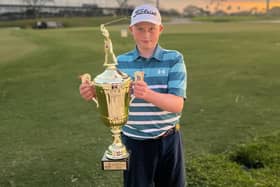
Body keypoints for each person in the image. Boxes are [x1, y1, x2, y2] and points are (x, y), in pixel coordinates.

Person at [80, 4, 187, 187]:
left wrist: (147, 94)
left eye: (151, 29)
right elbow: (112, 101)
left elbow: (177, 105)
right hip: (134, 142)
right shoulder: (120, 62)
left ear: (160, 29)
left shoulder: (174, 59)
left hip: (168, 140)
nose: (146, 35)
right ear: (131, 30)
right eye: (140, 29)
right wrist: (94, 93)